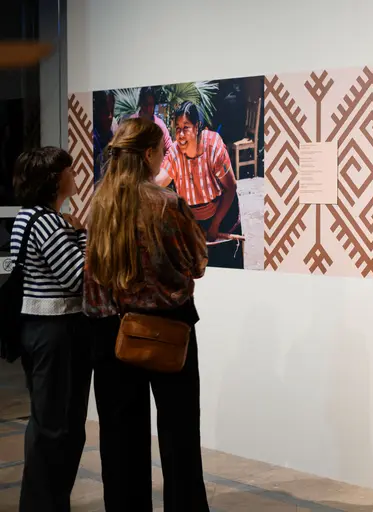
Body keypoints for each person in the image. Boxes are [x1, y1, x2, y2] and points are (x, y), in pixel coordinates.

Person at [83, 118, 210, 511]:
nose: (165, 156)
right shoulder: (166, 204)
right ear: (148, 155)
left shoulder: (100, 204)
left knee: (120, 443)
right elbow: (197, 260)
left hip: (110, 332)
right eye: (161, 150)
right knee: (179, 439)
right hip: (167, 329)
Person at [10, 147, 91, 511]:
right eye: (68, 169)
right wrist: (85, 236)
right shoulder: (47, 222)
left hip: (40, 329)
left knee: (51, 423)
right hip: (56, 330)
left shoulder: (27, 218)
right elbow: (78, 278)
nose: (74, 174)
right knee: (57, 427)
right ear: (55, 179)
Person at [156, 101, 244, 269]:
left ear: (196, 128)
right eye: (178, 128)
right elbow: (160, 180)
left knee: (225, 270)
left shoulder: (213, 147)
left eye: (186, 127)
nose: (180, 135)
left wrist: (215, 225)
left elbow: (231, 189)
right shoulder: (175, 153)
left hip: (223, 217)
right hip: (196, 223)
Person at [126, 87, 173, 153]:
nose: (148, 108)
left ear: (154, 105)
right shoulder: (132, 122)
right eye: (145, 104)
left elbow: (170, 149)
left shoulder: (160, 124)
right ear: (141, 104)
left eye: (150, 104)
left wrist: (163, 163)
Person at [93, 91, 119, 183]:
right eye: (106, 112)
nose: (110, 117)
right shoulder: (91, 138)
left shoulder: (111, 132)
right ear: (96, 111)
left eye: (112, 111)